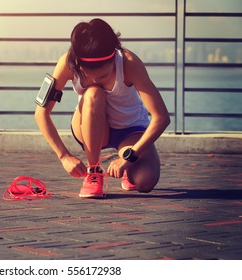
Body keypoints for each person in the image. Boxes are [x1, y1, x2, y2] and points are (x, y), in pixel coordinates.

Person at [34, 18, 170, 198]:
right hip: (89, 124)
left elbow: (161, 118)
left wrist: (129, 157)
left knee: (145, 182)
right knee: (93, 93)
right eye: (88, 75)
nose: (97, 80)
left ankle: (129, 173)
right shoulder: (67, 63)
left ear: (114, 57)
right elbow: (41, 113)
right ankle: (94, 172)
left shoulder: (129, 62)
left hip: (128, 130)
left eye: (104, 76)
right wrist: (64, 156)